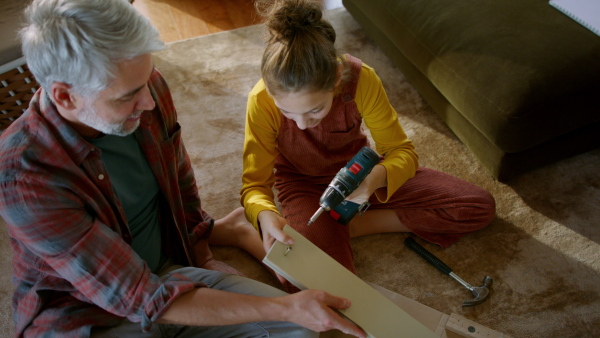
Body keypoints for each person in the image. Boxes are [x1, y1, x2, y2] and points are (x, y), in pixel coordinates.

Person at [0, 0, 366, 337]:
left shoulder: (149, 89)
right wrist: (281, 306)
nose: (148, 100)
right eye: (128, 95)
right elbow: (141, 296)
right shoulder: (23, 176)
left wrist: (201, 252)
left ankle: (223, 236)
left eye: (147, 79)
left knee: (298, 331)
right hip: (87, 315)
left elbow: (179, 178)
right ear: (65, 96)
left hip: (170, 274)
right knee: (289, 314)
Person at [236, 0, 496, 292]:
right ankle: (247, 235)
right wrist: (264, 216)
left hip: (358, 174)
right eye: (287, 113)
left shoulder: (361, 79)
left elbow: (402, 152)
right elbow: (254, 187)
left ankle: (351, 226)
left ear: (336, 79)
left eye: (315, 110)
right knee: (318, 287)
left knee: (477, 206)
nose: (301, 125)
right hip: (304, 185)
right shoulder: (260, 100)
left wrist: (373, 180)